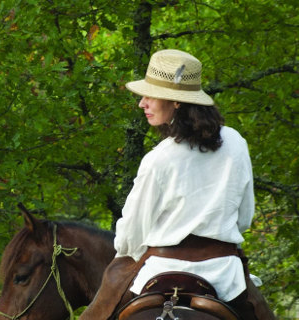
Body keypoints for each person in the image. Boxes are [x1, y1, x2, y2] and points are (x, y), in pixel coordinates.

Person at [80, 49, 275, 320]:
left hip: (158, 270)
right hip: (225, 277)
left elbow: (132, 233)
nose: (142, 103)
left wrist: (129, 254)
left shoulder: (159, 158)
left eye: (150, 95)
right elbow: (244, 218)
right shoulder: (236, 143)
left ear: (177, 102)